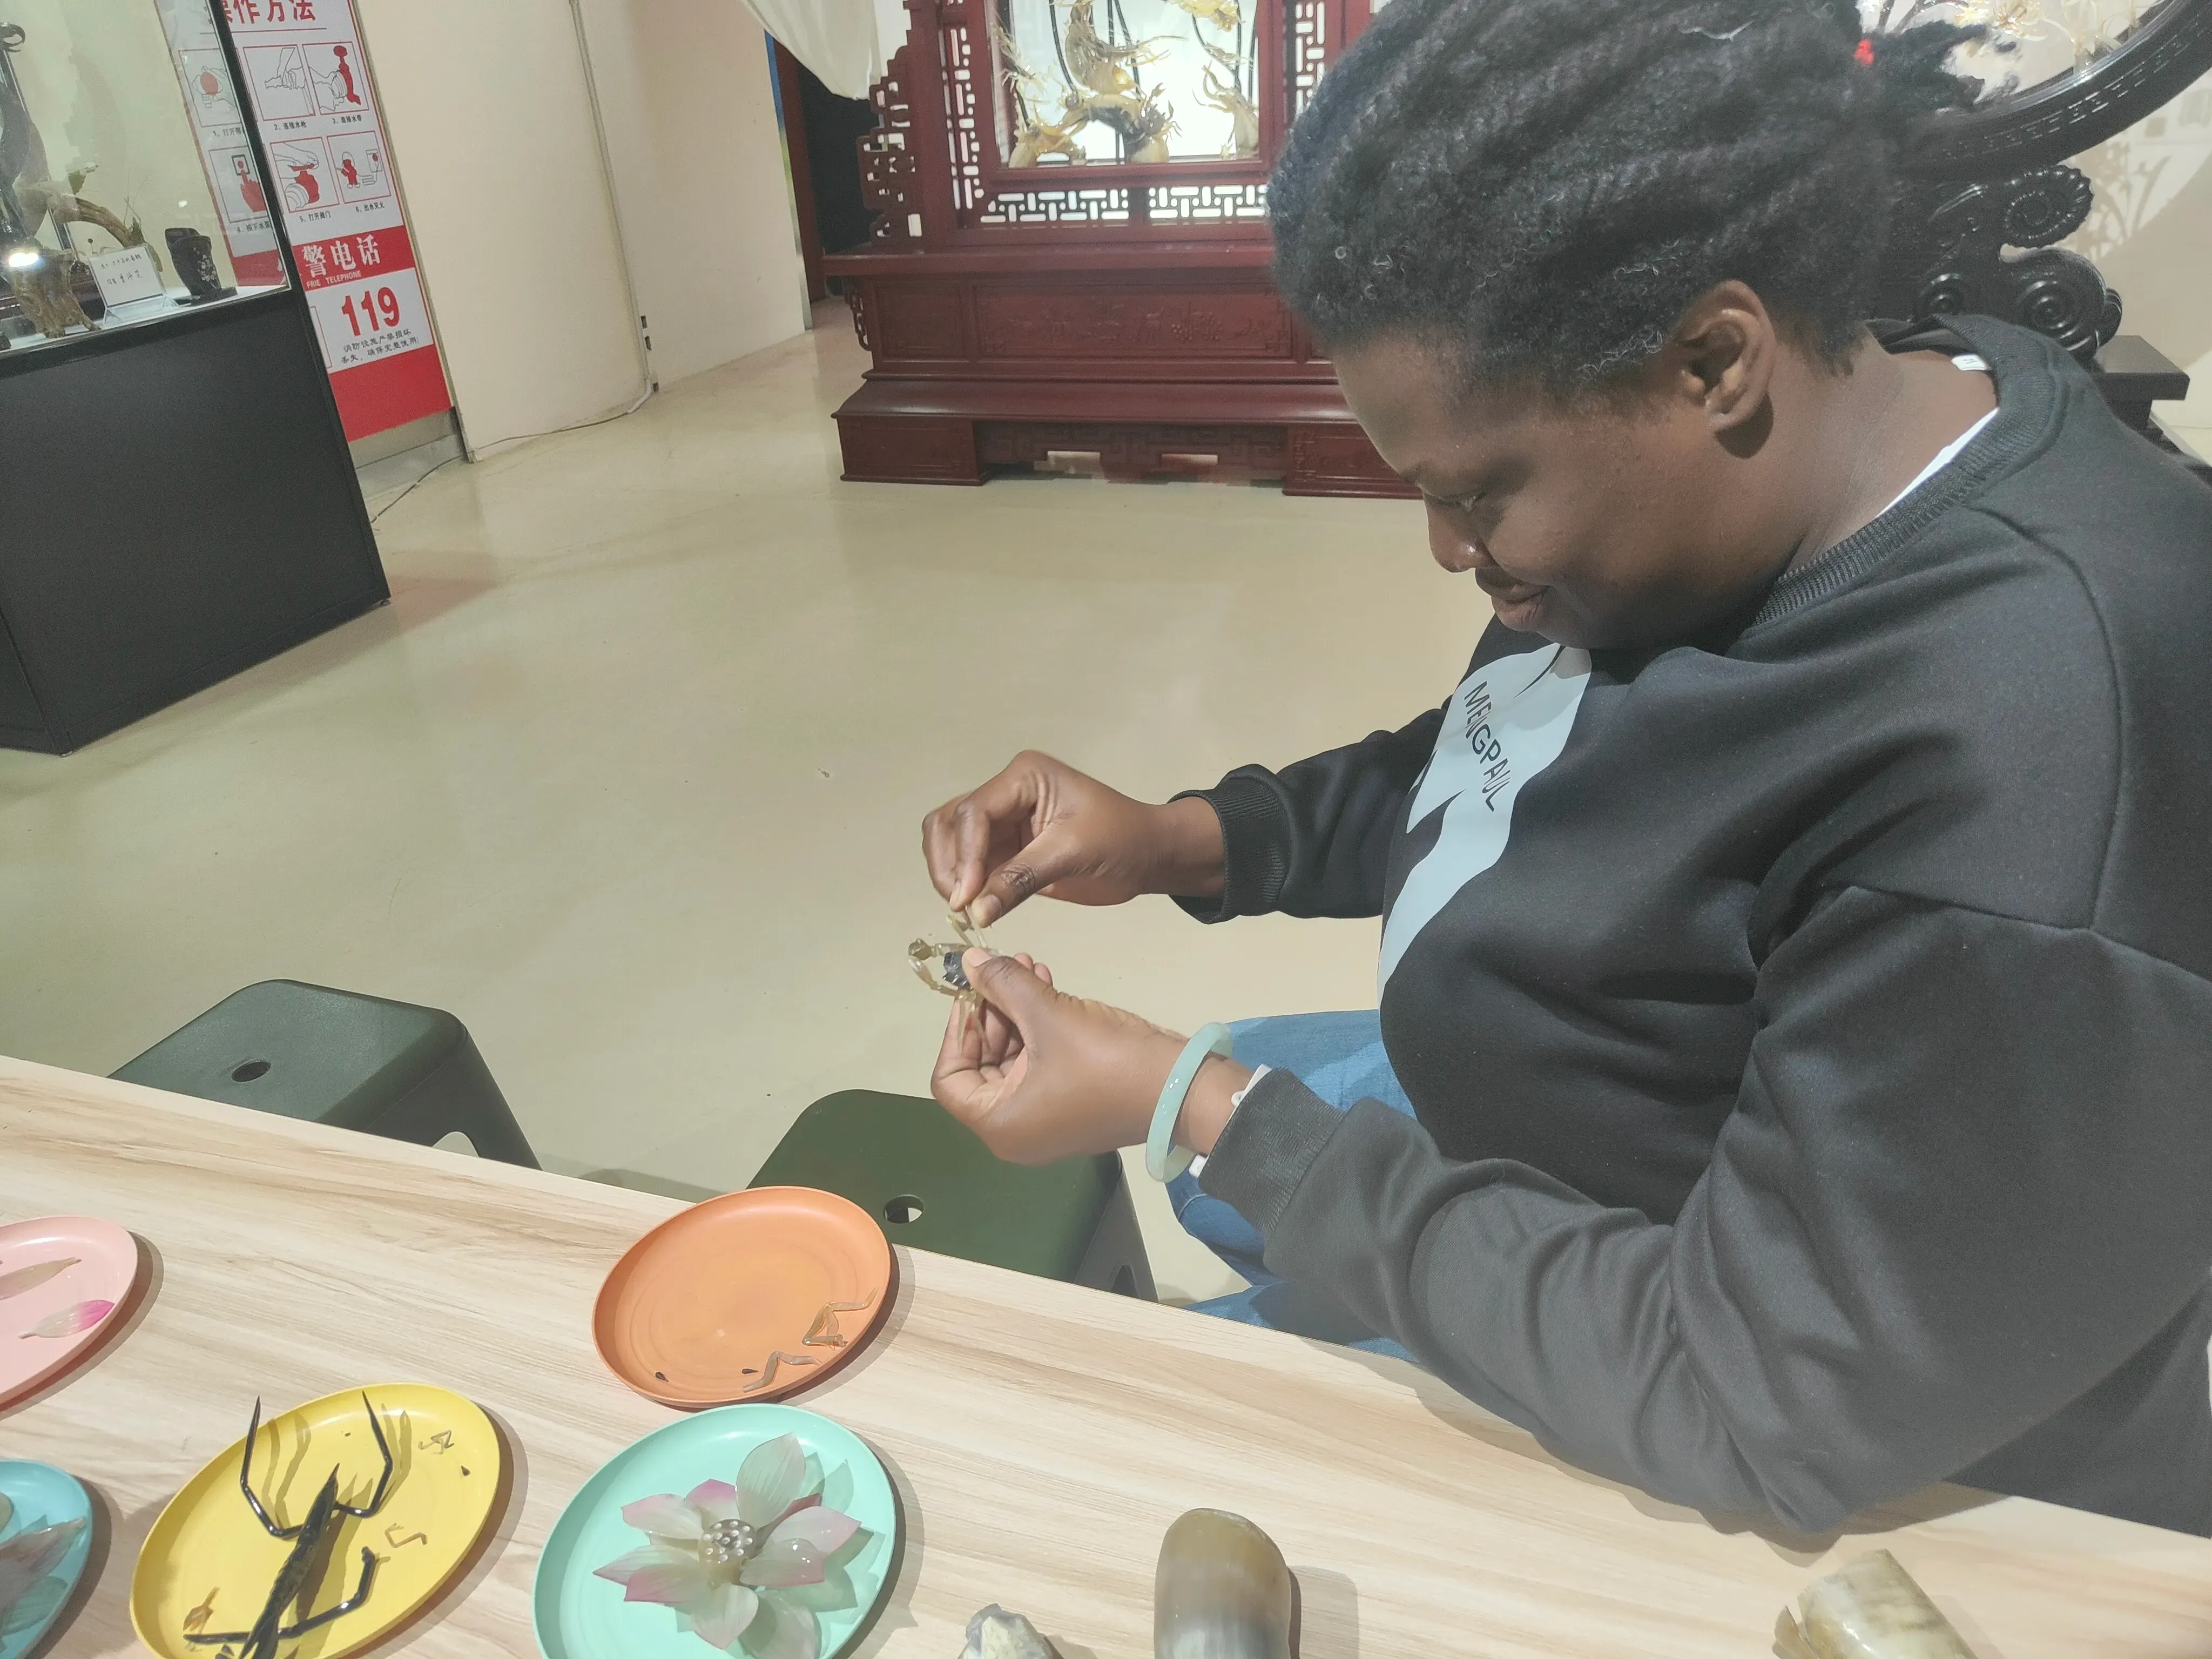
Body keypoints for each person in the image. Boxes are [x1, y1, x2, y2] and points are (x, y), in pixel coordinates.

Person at [920, 0, 2212, 1537]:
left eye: (1475, 494)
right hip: (1569, 1126)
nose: (1448, 551)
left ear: (1713, 360)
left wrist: (1214, 1113)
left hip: (1717, 1349)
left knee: (1091, 1469)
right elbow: (1520, 752)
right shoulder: (1832, 430)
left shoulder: (2018, 798)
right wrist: (1191, 841)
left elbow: (1755, 1400)